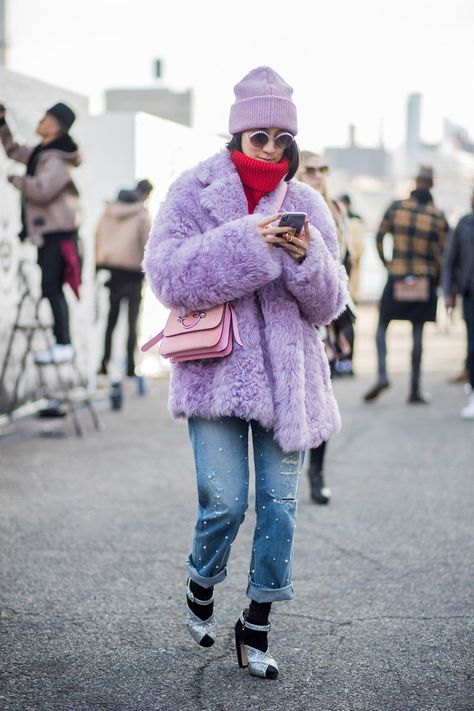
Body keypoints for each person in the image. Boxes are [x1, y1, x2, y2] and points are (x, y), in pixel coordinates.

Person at [143, 66, 347, 679]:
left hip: (290, 380)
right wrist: (245, 242)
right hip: (215, 373)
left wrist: (305, 257)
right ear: (237, 136)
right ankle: (201, 581)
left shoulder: (307, 202)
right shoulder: (194, 190)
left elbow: (331, 302)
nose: (272, 149)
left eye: (282, 139)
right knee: (225, 503)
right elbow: (168, 278)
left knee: (280, 508)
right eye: (259, 137)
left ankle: (255, 626)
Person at [0, 102, 82, 364]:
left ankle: (63, 343)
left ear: (57, 127)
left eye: (46, 119)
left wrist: (16, 180)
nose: (40, 122)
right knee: (50, 287)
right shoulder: (42, 152)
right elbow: (14, 151)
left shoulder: (57, 159)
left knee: (52, 287)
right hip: (47, 234)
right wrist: (3, 123)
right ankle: (62, 343)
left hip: (59, 236)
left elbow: (43, 190)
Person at [364, 166, 449, 404]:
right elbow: (444, 252)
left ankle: (382, 374)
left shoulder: (397, 207)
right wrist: (438, 279)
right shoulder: (437, 215)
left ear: (415, 182)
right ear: (431, 185)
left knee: (382, 326)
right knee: (418, 332)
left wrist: (387, 263)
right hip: (424, 278)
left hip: (397, 274)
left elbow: (380, 238)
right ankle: (414, 390)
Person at [296, 151, 353, 504]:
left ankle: (317, 473)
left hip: (330, 317)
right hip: (297, 315)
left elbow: (346, 263)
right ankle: (283, 473)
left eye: (321, 170)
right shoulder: (291, 209)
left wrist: (345, 315)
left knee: (320, 398)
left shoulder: (336, 211)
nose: (317, 175)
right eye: (309, 170)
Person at [95, 179, 153, 377]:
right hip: (134, 274)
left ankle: (103, 364)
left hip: (112, 271)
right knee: (131, 323)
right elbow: (147, 244)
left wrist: (99, 263)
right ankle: (130, 368)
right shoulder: (141, 214)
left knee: (110, 321)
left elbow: (98, 235)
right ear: (146, 194)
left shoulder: (109, 211)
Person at [443, 189, 474, 419]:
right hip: (470, 293)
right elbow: (450, 260)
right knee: (472, 345)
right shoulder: (464, 224)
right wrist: (448, 293)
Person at [339, 193, 366, 302]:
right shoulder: (353, 220)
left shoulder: (354, 221)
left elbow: (358, 248)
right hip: (348, 265)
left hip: (350, 265)